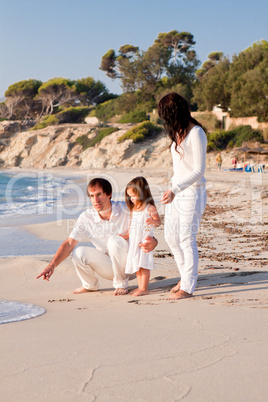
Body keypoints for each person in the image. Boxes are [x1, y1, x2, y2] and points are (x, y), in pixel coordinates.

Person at [36, 178, 157, 296]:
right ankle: (89, 285)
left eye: (99, 194)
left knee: (114, 240)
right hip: (108, 267)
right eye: (92, 196)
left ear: (109, 194)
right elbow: (68, 243)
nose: (96, 200)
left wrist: (154, 242)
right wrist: (52, 265)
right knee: (78, 252)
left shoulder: (127, 208)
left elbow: (146, 228)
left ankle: (121, 284)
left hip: (132, 265)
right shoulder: (86, 218)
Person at [158, 93, 207, 300]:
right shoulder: (178, 132)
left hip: (192, 193)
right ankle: (184, 277)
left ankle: (188, 286)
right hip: (176, 193)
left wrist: (175, 188)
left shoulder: (196, 133)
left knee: (187, 239)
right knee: (171, 237)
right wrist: (173, 189)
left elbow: (199, 170)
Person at [120, 177, 161, 296]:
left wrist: (153, 222)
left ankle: (144, 288)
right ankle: (140, 287)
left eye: (133, 196)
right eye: (129, 196)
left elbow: (158, 222)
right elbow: (132, 224)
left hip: (144, 240)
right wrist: (127, 235)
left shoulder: (150, 208)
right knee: (137, 264)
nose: (131, 199)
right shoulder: (134, 209)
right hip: (134, 240)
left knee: (144, 264)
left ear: (142, 193)